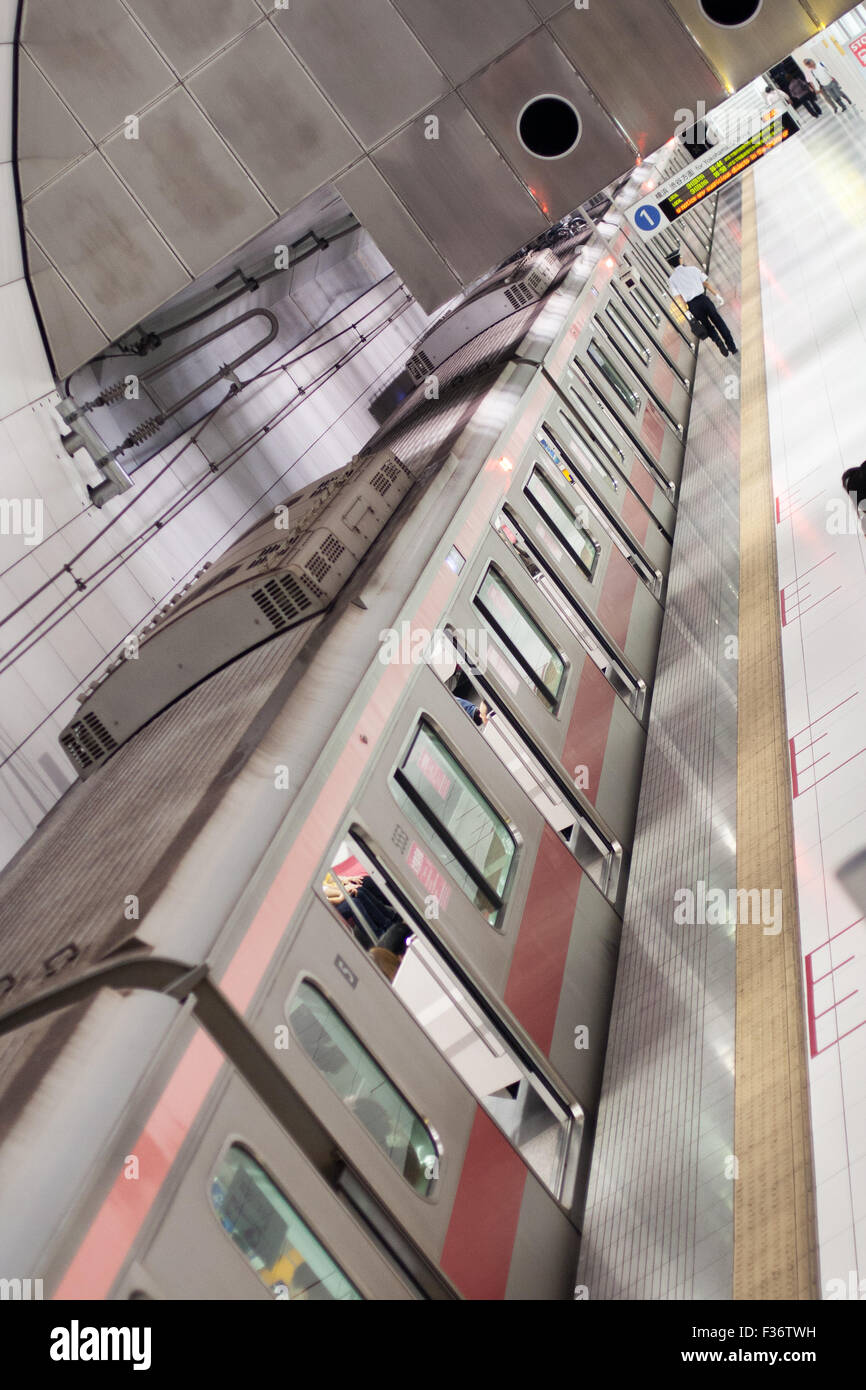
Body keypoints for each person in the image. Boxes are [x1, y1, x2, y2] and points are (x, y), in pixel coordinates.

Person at [665, 251, 737, 357]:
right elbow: (706, 283)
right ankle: (732, 347)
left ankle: (718, 342)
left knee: (707, 326)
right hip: (704, 300)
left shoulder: (672, 280)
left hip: (693, 306)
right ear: (680, 260)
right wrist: (717, 295)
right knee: (719, 322)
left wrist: (686, 312)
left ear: (671, 265)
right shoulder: (693, 269)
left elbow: (679, 298)